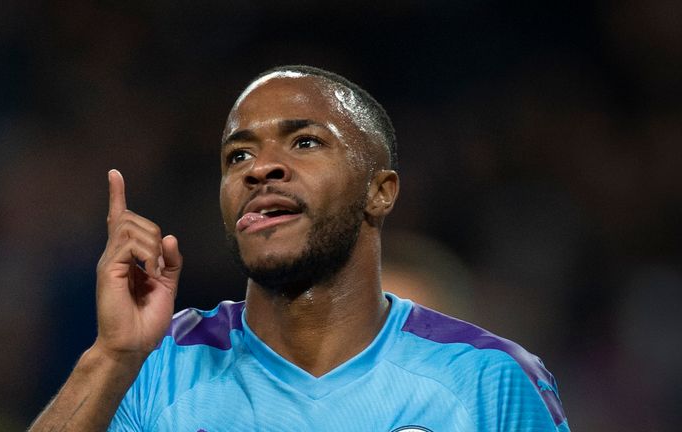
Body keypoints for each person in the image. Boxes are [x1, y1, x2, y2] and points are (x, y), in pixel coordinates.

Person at [29, 65, 570, 431]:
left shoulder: (487, 382)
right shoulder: (154, 369)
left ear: (379, 193)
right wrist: (112, 355)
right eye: (237, 157)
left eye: (305, 142)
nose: (259, 167)